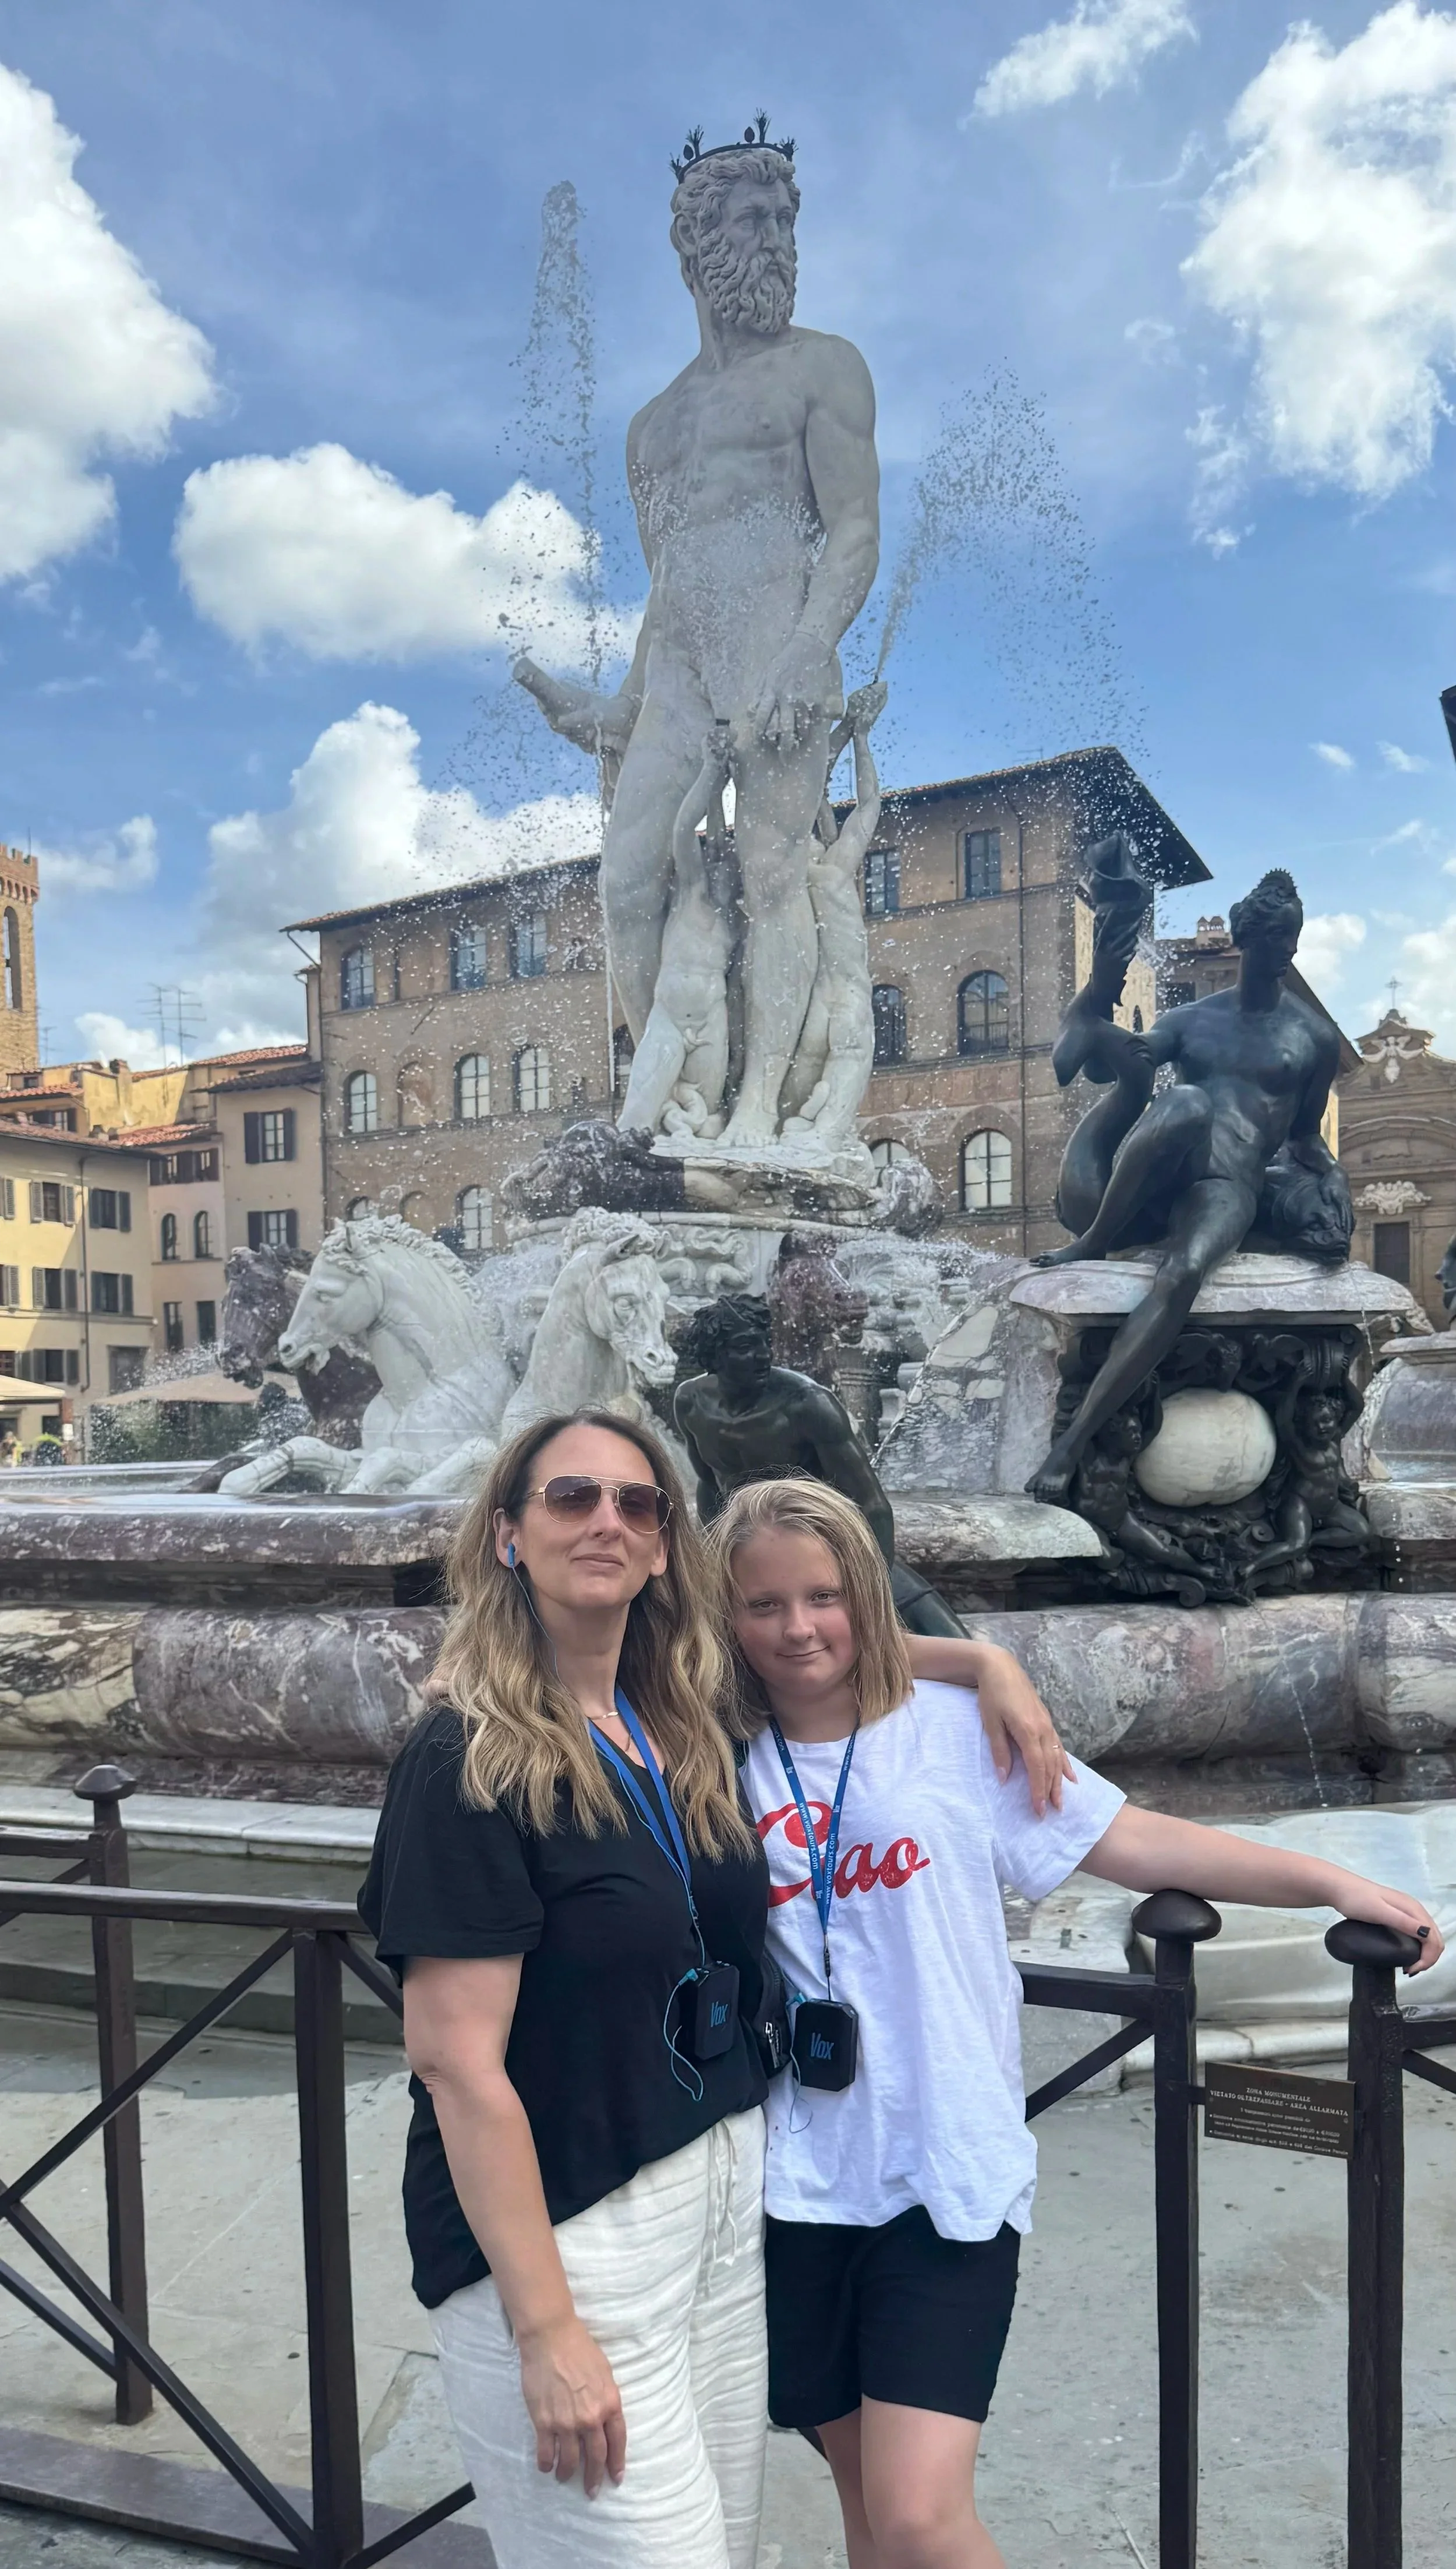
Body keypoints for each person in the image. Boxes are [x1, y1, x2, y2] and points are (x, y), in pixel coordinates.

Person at [358, 1409, 1069, 2569]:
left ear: (660, 1548)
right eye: (569, 1498)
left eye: (636, 1505)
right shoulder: (465, 1757)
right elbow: (450, 2064)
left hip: (723, 2216)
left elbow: (822, 1653)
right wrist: (546, 2333)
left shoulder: (676, 1718)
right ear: (505, 1535)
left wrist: (982, 1659)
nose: (606, 1521)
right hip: (574, 2228)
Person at [706, 1476, 1444, 2569]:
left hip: (942, 2168)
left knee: (918, 2513)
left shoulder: (954, 1730)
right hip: (795, 2175)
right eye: (763, 1605)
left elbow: (1133, 1842)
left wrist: (1327, 1881)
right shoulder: (709, 1749)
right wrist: (982, 1651)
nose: (799, 1627)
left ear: (866, 1593)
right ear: (727, 1617)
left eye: (824, 1595)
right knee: (866, 2507)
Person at [618, 724, 735, 1142]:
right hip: (668, 1021)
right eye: (718, 864)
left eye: (730, 868)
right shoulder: (691, 892)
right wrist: (713, 773)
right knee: (638, 1113)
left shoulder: (734, 923)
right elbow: (686, 830)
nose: (724, 870)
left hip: (710, 1026)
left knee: (708, 1119)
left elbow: (722, 841)